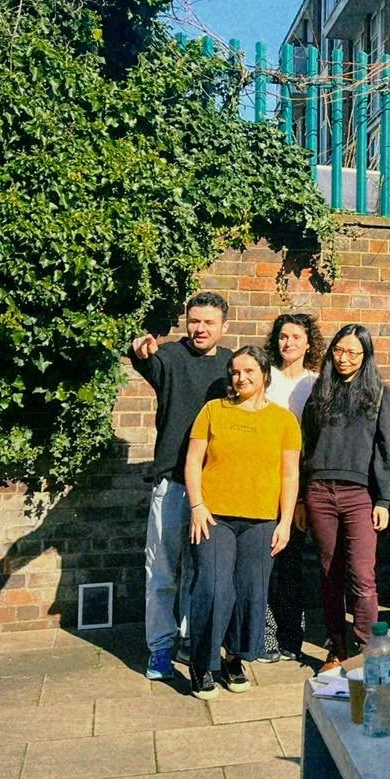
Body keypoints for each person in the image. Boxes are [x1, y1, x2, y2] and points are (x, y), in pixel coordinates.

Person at [184, 346, 301, 699]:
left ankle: (234, 658)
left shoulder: (283, 420)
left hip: (262, 520)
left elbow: (290, 474)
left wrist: (285, 522)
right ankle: (202, 663)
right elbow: (192, 462)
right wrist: (197, 505)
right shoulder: (213, 411)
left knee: (251, 592)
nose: (241, 377)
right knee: (215, 588)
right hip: (214, 517)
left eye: (249, 371)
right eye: (235, 371)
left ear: (265, 374)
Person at [130, 291, 232, 681]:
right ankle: (159, 647)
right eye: (194, 321)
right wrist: (139, 347)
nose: (200, 328)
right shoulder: (169, 357)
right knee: (162, 569)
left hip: (214, 486)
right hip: (172, 481)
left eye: (208, 322)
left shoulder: (230, 367)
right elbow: (143, 356)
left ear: (224, 326)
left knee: (202, 571)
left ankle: (192, 640)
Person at [302, 324, 390, 672]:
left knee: (362, 574)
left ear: (365, 356)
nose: (344, 359)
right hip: (320, 491)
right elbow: (306, 444)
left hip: (359, 495)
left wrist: (384, 500)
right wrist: (301, 494)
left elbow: (388, 451)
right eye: (339, 351)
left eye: (353, 353)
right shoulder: (319, 392)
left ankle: (366, 646)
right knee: (330, 573)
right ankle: (336, 647)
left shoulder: (380, 396)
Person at [259, 312, 325, 663]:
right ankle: (266, 633)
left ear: (308, 343)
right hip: (264, 477)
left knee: (292, 562)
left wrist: (299, 496)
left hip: (297, 479)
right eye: (283, 337)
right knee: (266, 562)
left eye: (296, 337)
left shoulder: (315, 384)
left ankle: (291, 635)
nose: (288, 343)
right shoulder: (265, 380)